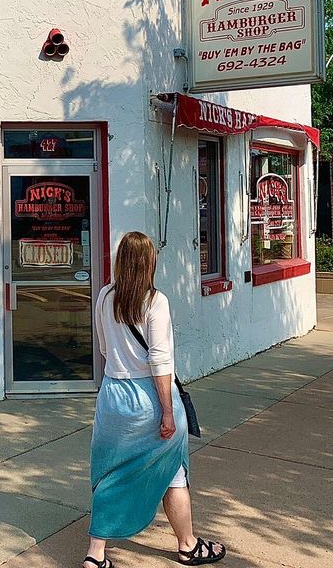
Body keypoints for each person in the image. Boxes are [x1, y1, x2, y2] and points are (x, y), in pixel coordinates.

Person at [82, 231, 226, 568]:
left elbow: (104, 349)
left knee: (110, 473)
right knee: (173, 470)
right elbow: (160, 364)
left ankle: (95, 554)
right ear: (150, 263)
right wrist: (167, 413)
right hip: (150, 398)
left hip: (114, 397)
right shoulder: (155, 302)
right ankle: (188, 545)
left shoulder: (105, 296)